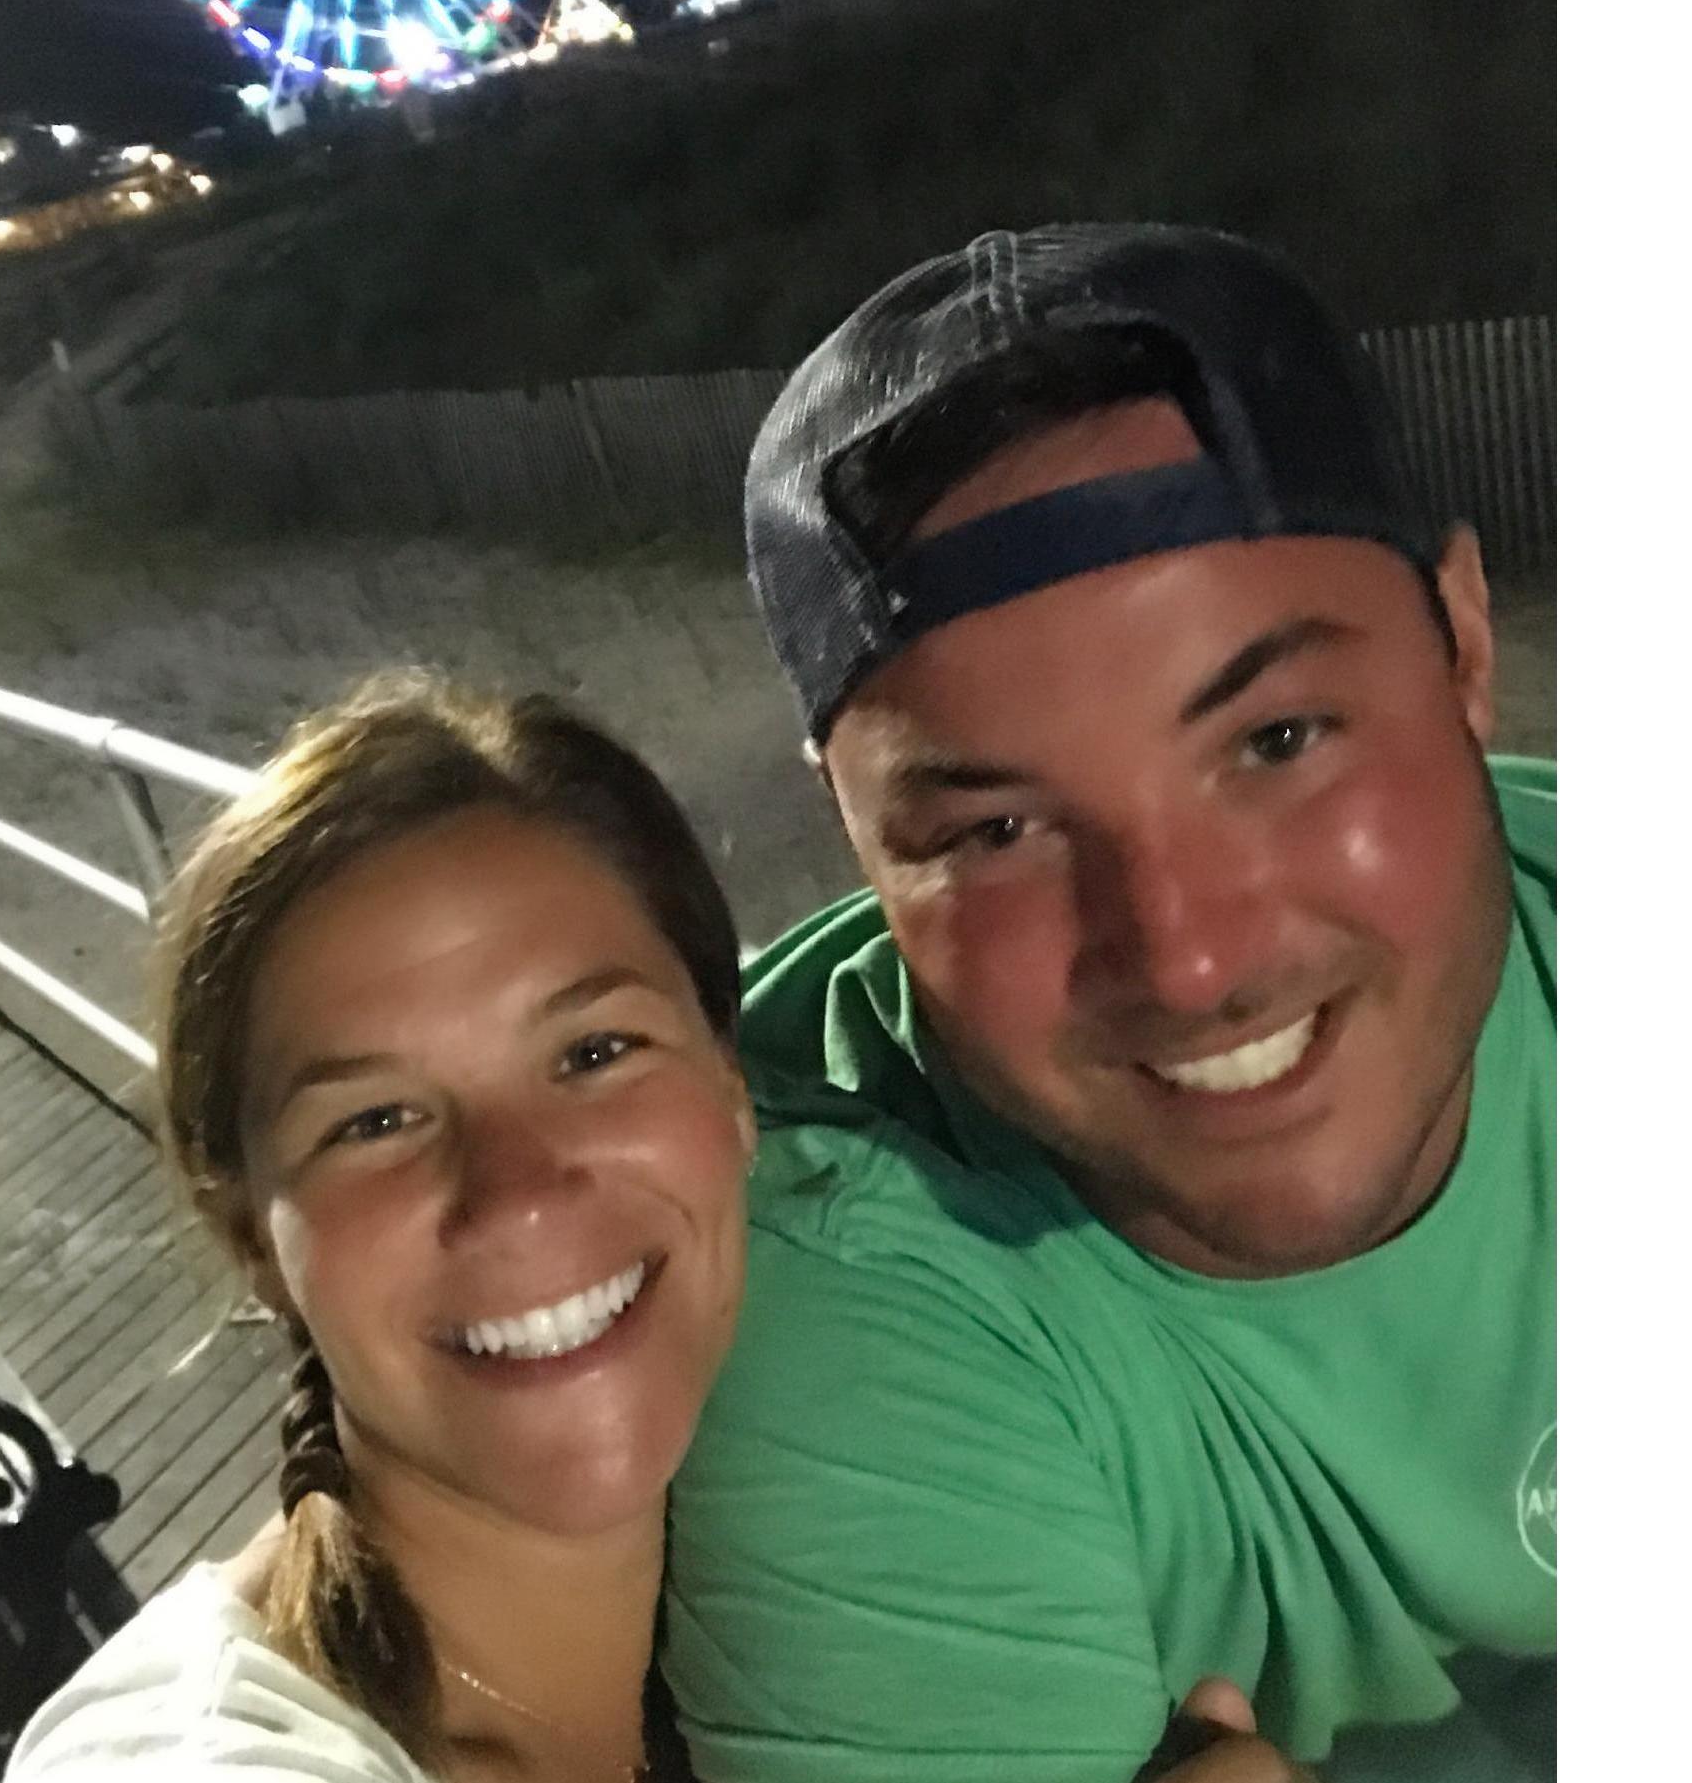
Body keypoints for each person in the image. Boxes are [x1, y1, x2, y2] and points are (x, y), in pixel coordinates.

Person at [662, 224, 1556, 1781]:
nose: (1189, 961)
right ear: (858, 849)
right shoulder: (834, 1300)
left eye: (1278, 741)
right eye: (993, 833)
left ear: (1462, 640)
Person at [7, 673, 757, 1781]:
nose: (519, 1193)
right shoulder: (208, 1754)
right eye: (374, 1120)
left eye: (596, 1052)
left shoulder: (816, 1561)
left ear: (734, 1092)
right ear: (255, 1239)